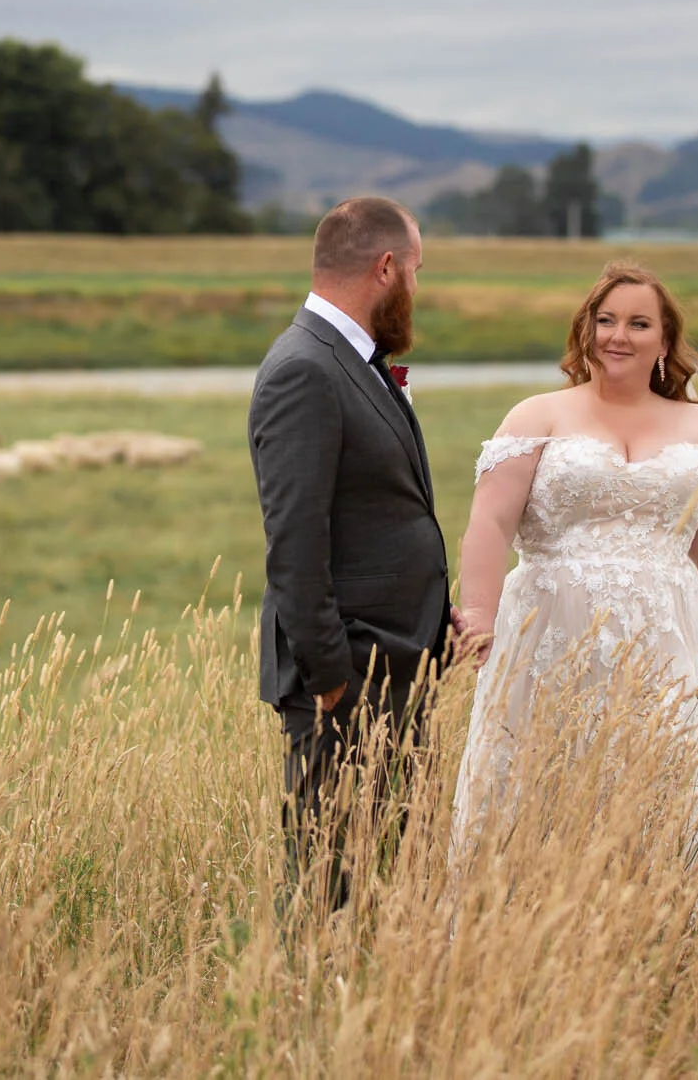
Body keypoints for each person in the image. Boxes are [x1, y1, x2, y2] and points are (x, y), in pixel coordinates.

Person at [449, 260, 698, 904]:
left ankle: (665, 934)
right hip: (548, 636)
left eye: (639, 323)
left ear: (665, 341)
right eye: (606, 320)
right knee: (541, 788)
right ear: (585, 329)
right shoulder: (537, 416)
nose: (619, 335)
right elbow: (489, 523)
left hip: (672, 642)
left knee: (670, 793)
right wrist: (477, 614)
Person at [247, 196, 464, 907]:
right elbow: (294, 538)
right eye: (417, 271)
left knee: (388, 886)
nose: (416, 289)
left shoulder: (350, 359)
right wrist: (332, 675)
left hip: (395, 665)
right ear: (386, 267)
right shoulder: (305, 368)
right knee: (330, 893)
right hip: (350, 678)